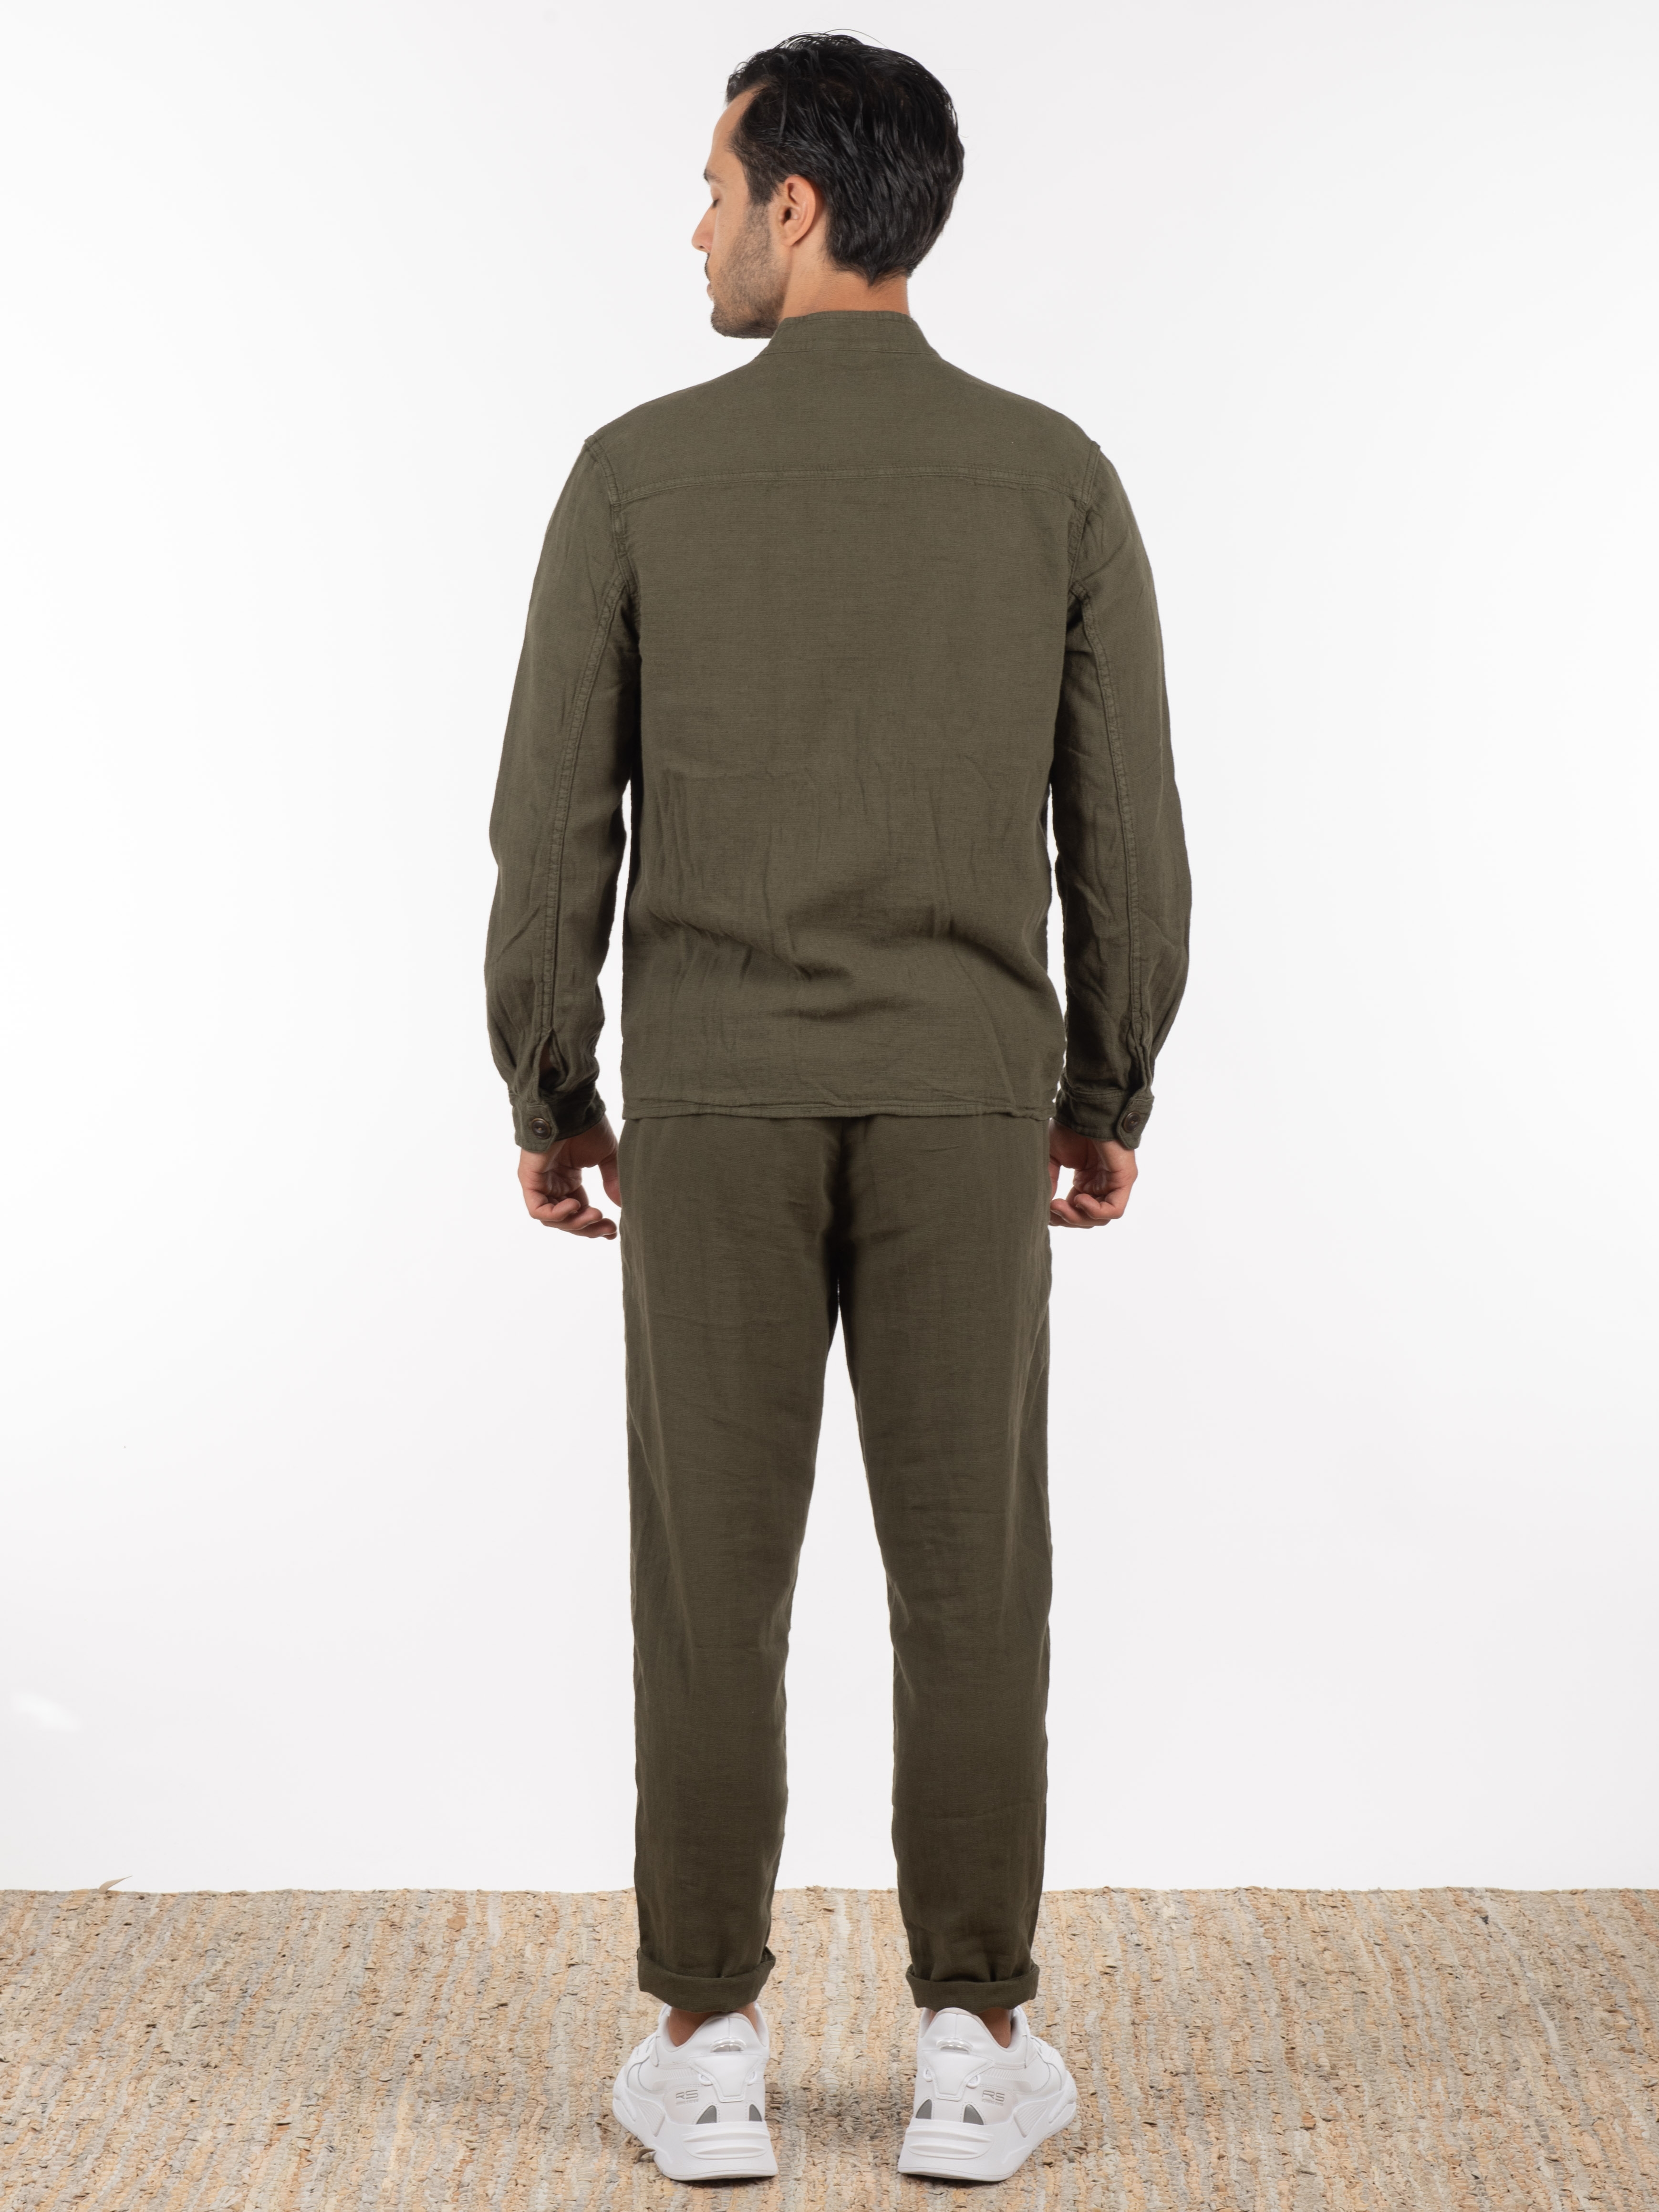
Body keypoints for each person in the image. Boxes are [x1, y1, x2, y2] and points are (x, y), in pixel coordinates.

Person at [485, 32, 1190, 2186]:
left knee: (714, 1577)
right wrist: (1105, 1079)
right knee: (975, 1576)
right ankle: (975, 2040)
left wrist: (550, 1078)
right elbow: (1127, 831)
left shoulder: (635, 474)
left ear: (796, 208)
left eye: (714, 188)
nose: (694, 224)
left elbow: (551, 817)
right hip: (969, 1100)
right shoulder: (1054, 477)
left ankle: (706, 2043)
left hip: (713, 1100)